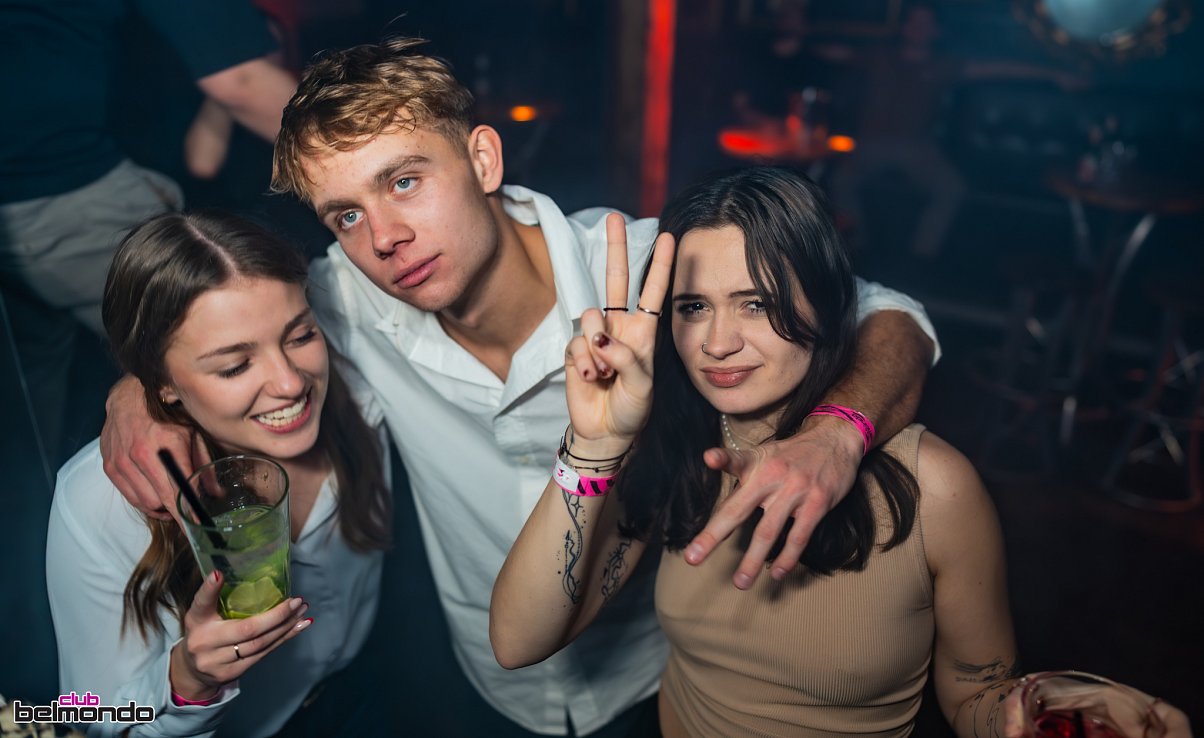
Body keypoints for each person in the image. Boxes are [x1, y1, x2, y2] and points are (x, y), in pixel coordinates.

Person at [102, 38, 938, 736]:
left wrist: (837, 431)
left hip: (651, 670)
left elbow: (887, 314)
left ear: (483, 158)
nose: (383, 237)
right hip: (478, 679)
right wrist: (137, 391)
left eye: (404, 180)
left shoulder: (639, 269)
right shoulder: (341, 306)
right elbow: (219, 331)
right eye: (345, 215)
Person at [489, 166, 1192, 737]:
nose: (717, 343)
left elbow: (977, 695)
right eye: (694, 307)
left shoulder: (935, 486)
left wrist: (1040, 705)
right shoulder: (676, 456)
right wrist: (595, 444)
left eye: (758, 303)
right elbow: (518, 642)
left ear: (829, 307)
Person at [47, 212, 391, 737]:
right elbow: (88, 716)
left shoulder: (357, 381)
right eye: (234, 366)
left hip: (373, 688)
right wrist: (188, 681)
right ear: (161, 382)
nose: (290, 383)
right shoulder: (100, 503)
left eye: (300, 335)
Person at [0, 0, 297, 468]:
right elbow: (239, 87)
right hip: (75, 195)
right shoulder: (238, 48)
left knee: (35, 390)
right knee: (228, 355)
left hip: (42, 197)